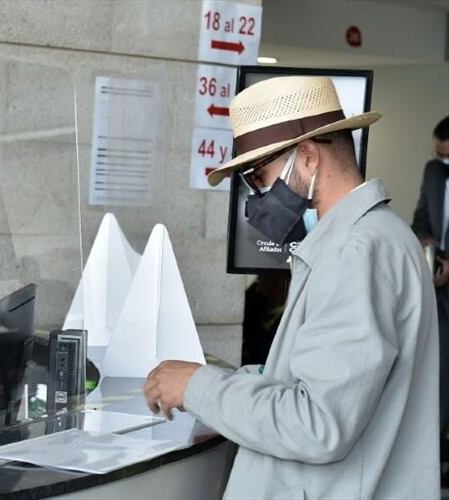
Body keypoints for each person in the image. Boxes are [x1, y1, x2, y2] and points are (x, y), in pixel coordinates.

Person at [143, 76, 440, 498]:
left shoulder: (355, 252)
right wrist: (224, 381)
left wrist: (196, 386)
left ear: (307, 156)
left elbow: (318, 425)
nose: (257, 194)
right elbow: (320, 383)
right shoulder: (371, 238)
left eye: (259, 175)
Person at [412, 115, 449, 451]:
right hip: (438, 288)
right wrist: (427, 243)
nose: (443, 163)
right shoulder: (433, 172)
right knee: (438, 368)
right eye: (440, 157)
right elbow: (421, 217)